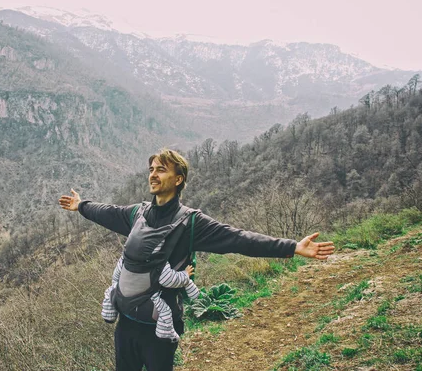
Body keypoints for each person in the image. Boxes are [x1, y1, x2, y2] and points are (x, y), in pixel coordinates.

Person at [59, 148, 335, 371]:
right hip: (127, 320)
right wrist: (81, 206)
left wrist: (291, 247)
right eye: (151, 170)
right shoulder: (138, 214)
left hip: (160, 325)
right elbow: (107, 212)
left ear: (178, 180)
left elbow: (238, 239)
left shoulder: (192, 223)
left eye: (161, 170)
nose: (153, 175)